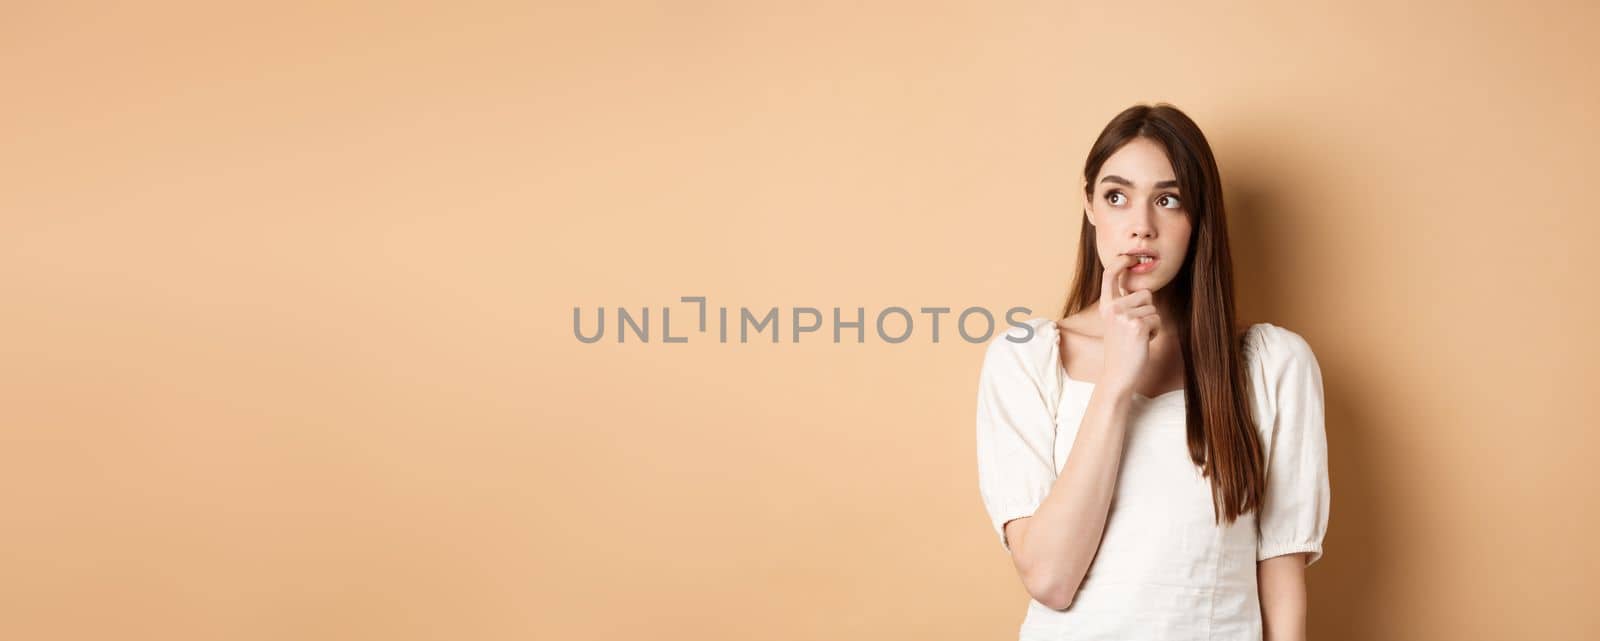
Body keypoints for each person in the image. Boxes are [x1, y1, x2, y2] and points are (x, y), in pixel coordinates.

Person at [974, 103, 1330, 640]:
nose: (1141, 228)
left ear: (1198, 218)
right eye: (1117, 197)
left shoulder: (1272, 365)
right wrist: (1117, 379)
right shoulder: (1025, 358)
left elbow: (1282, 586)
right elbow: (1049, 578)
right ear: (1090, 205)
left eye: (1167, 200)